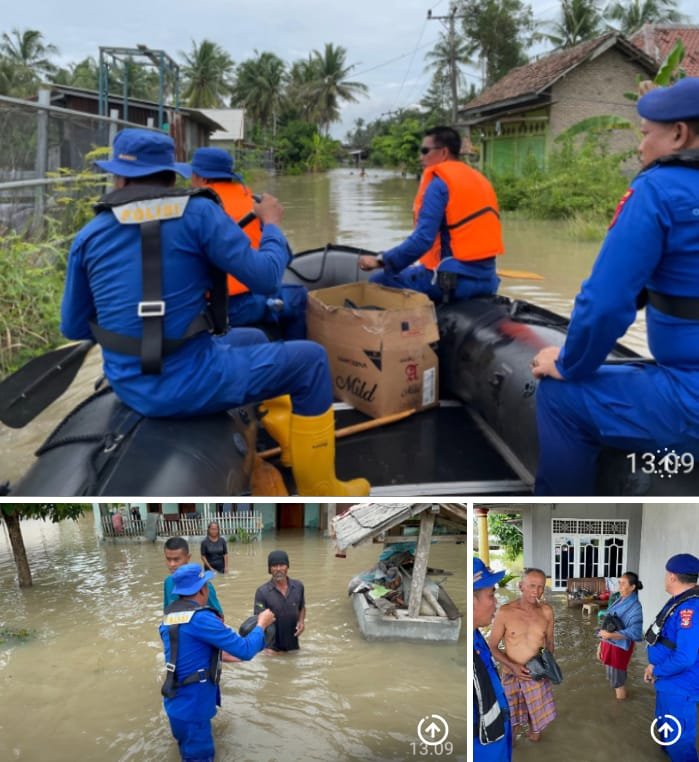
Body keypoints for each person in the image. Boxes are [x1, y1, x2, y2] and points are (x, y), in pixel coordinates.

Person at [60, 128, 369, 497]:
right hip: (187, 382)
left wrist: (142, 334)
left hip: (129, 383)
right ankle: (322, 489)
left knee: (252, 337)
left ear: (119, 178)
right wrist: (270, 224)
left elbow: (75, 326)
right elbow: (269, 278)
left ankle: (287, 441)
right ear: (172, 174)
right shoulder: (200, 212)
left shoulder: (90, 234)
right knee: (311, 360)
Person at [531, 77, 699, 495]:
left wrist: (569, 363)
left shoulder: (658, 190)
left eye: (645, 135)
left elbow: (604, 305)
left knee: (557, 397)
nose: (640, 148)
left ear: (678, 134)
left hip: (691, 397)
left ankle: (563, 509)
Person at [358, 126, 503, 304]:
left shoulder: (439, 185)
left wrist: (381, 260)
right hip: (487, 280)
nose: (421, 157)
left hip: (453, 281)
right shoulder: (481, 181)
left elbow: (422, 241)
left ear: (443, 152)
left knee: (377, 282)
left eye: (425, 151)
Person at [186, 147, 307, 340]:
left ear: (202, 179)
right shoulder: (254, 204)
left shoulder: (188, 209)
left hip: (200, 308)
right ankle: (289, 354)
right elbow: (285, 257)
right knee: (298, 296)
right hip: (239, 305)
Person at [160, 563, 276, 761]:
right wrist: (261, 625)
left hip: (176, 703)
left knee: (187, 751)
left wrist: (229, 656)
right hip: (193, 708)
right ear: (202, 589)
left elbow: (189, 652)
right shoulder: (202, 618)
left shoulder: (169, 619)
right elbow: (246, 650)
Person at [489, 568, 556, 743]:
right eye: (532, 586)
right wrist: (513, 667)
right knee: (511, 723)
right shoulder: (505, 612)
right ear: (521, 586)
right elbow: (492, 647)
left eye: (541, 587)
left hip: (537, 675)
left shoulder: (546, 611)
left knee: (537, 724)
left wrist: (548, 667)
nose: (537, 591)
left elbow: (549, 643)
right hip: (512, 674)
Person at [644, 553, 699, 762]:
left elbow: (685, 657)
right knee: (667, 730)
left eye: (666, 574)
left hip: (681, 685)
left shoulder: (691, 608)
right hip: (668, 681)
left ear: (673, 576)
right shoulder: (679, 601)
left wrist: (655, 669)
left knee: (680, 743)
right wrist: (653, 665)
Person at [473, 557, 512, 762]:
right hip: (483, 749)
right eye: (491, 595)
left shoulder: (476, 636)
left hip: (499, 731)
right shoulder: (507, 614)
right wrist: (512, 664)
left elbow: (545, 643)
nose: (496, 602)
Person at [596, 571, 644, 699]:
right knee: (613, 678)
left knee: (618, 682)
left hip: (619, 647)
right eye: (619, 583)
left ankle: (620, 706)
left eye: (623, 584)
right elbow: (607, 622)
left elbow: (635, 632)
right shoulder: (619, 599)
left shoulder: (635, 606)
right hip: (609, 642)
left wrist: (610, 636)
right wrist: (601, 644)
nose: (619, 586)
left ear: (632, 587)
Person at [253, 550, 305, 652]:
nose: (278, 569)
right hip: (272, 650)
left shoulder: (298, 586)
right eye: (274, 565)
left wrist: (301, 622)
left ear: (287, 566)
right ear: (269, 569)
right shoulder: (262, 592)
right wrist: (266, 648)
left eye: (282, 565)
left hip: (293, 647)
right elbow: (259, 622)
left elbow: (302, 607)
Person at [163, 536, 223, 616]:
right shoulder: (168, 582)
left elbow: (219, 616)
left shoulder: (203, 585)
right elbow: (166, 612)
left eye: (176, 560)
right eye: (168, 559)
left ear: (188, 558)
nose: (172, 564)